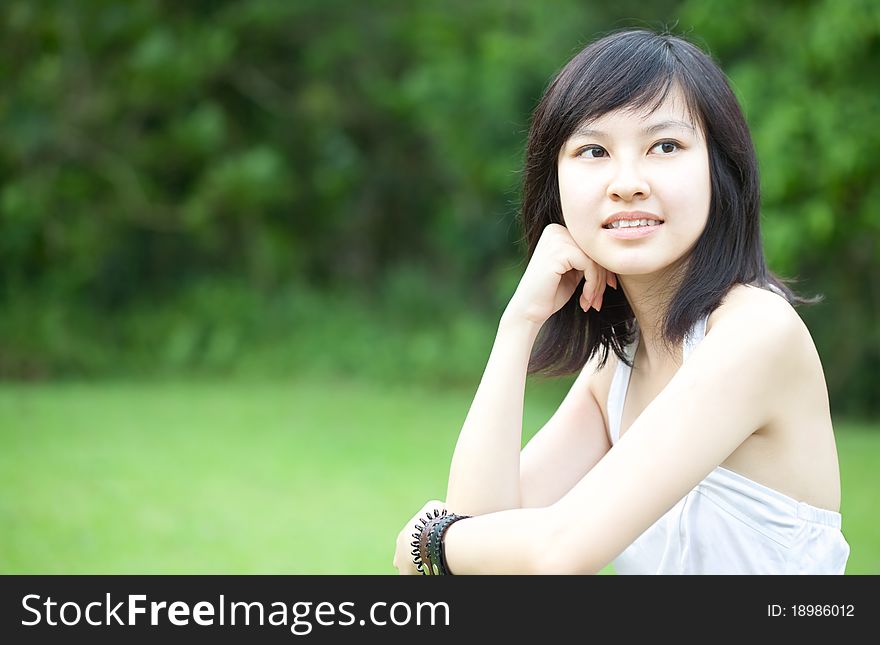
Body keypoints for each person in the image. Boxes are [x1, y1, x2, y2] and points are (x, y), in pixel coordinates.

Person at [392, 28, 850, 575]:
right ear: (554, 183)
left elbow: (554, 552)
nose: (627, 183)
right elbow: (485, 553)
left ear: (720, 172)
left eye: (665, 146)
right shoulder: (618, 365)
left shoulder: (756, 335)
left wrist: (429, 542)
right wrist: (519, 323)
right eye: (593, 151)